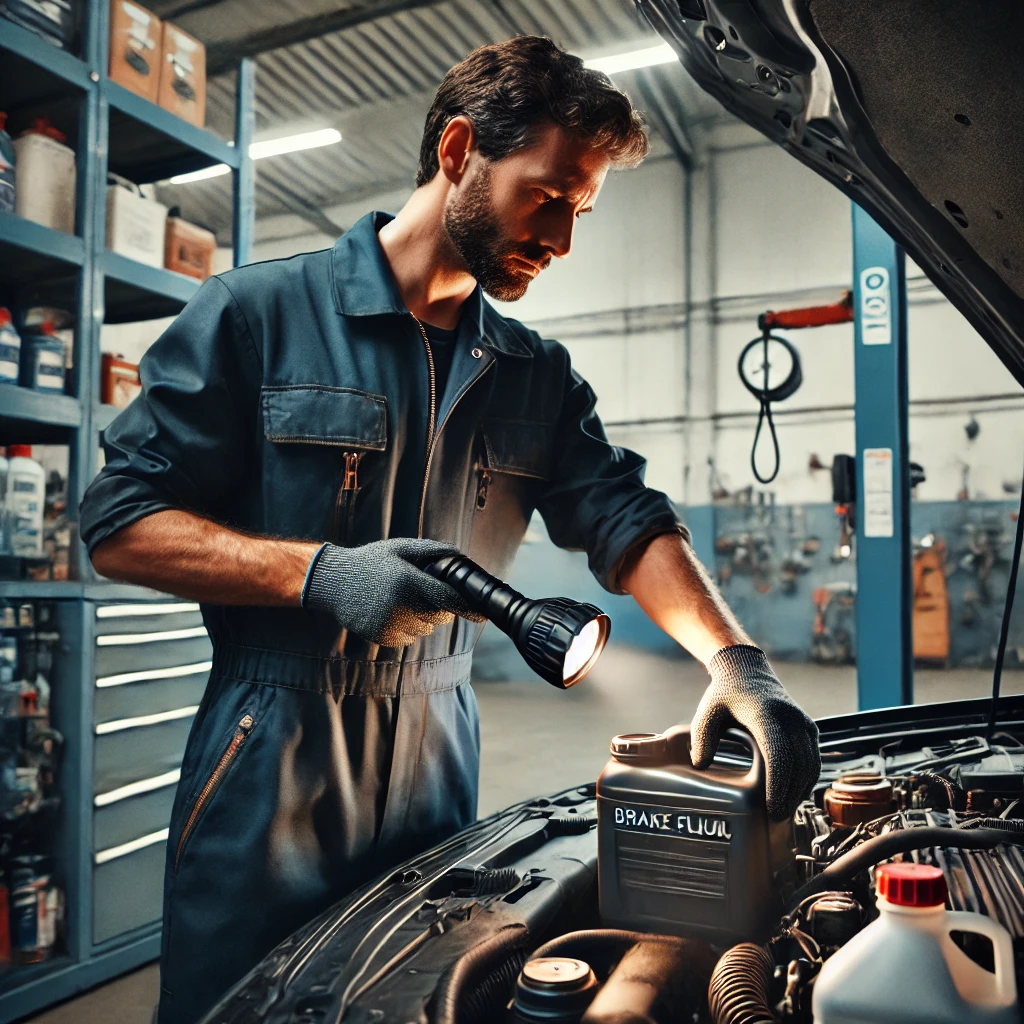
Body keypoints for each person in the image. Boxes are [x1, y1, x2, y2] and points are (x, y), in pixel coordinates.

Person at [80, 36, 819, 1024]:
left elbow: (626, 518)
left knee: (424, 1000)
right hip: (269, 760)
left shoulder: (535, 376)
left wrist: (735, 660)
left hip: (438, 753)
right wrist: (318, 574)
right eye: (548, 194)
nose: (561, 238)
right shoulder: (256, 317)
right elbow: (117, 523)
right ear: (461, 148)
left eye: (581, 211)